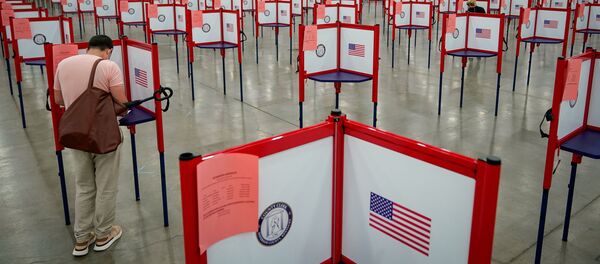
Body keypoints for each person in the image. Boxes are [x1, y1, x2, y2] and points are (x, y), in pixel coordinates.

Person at [54, 35, 128, 257]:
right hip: (104, 135)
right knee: (106, 185)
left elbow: (58, 100)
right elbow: (122, 104)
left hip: (75, 134)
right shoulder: (108, 66)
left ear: (88, 48)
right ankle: (104, 234)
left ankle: (82, 239)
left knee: (84, 185)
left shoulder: (63, 64)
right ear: (108, 50)